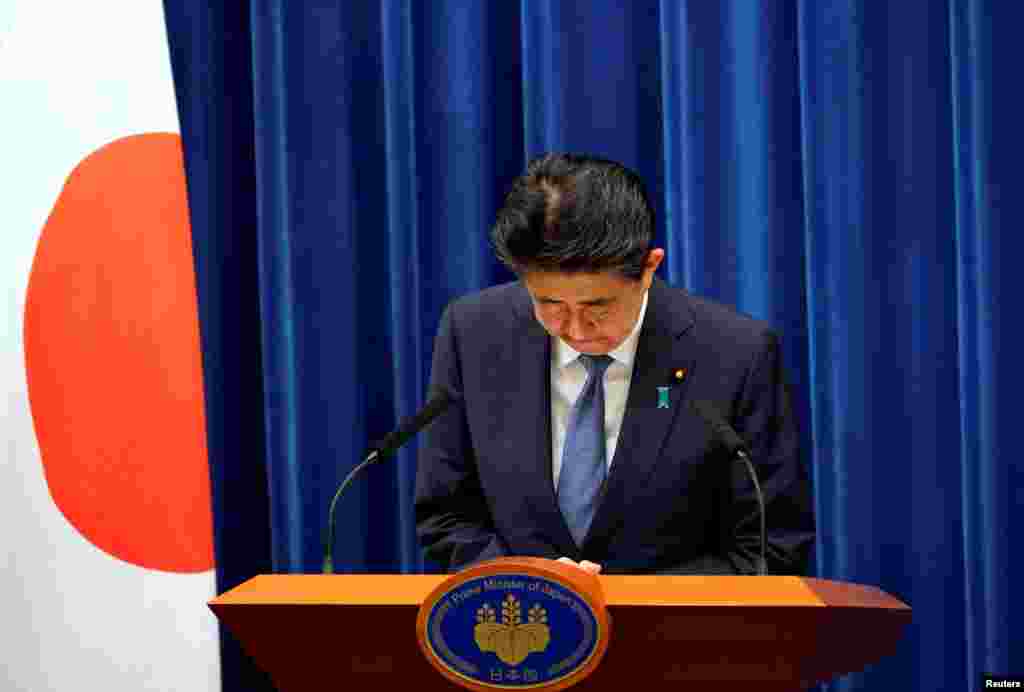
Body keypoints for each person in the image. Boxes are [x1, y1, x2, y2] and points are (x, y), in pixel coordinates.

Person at [415, 153, 814, 575]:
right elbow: (446, 516)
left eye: (598, 306)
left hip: (680, 634)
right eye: (548, 303)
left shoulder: (735, 353)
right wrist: (532, 583)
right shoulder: (474, 333)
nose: (576, 330)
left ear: (648, 268)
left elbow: (771, 546)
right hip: (519, 629)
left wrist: (626, 603)